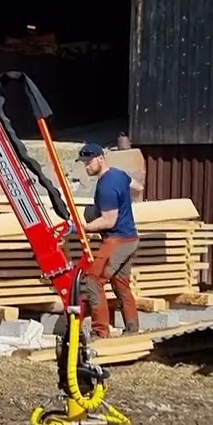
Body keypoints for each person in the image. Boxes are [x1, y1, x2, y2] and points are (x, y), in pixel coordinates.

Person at [76, 142, 145, 337]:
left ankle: (100, 332)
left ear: (100, 158)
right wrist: (126, 203)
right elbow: (137, 187)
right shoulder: (119, 174)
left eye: (89, 162)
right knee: (120, 282)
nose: (87, 166)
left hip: (117, 240)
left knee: (93, 281)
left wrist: (82, 228)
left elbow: (109, 220)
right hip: (131, 238)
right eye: (84, 163)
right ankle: (132, 329)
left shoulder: (106, 186)